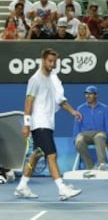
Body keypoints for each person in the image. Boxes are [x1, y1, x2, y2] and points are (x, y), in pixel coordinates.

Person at [14, 48, 82, 201]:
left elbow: (59, 100)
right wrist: (26, 124)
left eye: (54, 62)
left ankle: (22, 186)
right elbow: (28, 102)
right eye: (50, 61)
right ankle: (62, 188)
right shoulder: (35, 79)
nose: (52, 65)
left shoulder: (51, 79)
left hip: (48, 123)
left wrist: (72, 112)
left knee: (36, 155)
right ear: (43, 60)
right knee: (52, 155)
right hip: (40, 123)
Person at [73, 86, 108, 171]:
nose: (87, 96)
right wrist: (75, 139)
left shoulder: (104, 108)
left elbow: (107, 125)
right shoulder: (80, 108)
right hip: (85, 134)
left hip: (99, 133)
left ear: (96, 95)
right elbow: (76, 125)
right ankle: (90, 166)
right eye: (86, 94)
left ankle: (102, 164)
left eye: (90, 94)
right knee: (78, 141)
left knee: (99, 137)